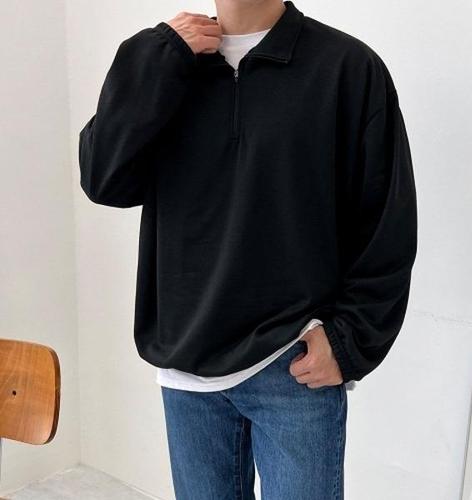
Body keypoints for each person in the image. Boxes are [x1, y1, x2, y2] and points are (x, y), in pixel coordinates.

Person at [78, 0, 418, 498]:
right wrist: (155, 57)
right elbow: (104, 180)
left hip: (293, 363)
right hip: (186, 365)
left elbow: (386, 218)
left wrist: (350, 341)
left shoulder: (347, 67)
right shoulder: (168, 63)